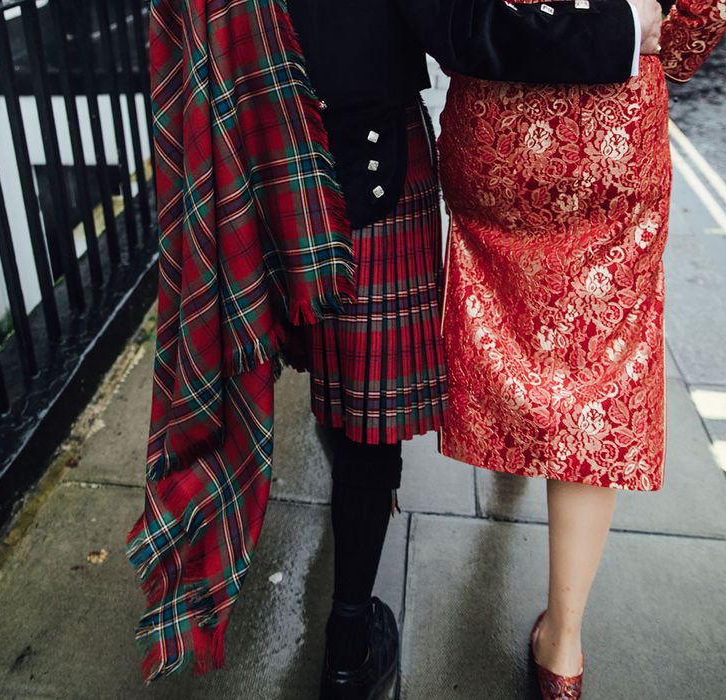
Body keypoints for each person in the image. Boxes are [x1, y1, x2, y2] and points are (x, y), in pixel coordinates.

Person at [286, 1, 665, 698]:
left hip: (296, 142)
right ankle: (559, 650)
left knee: (339, 366)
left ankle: (346, 643)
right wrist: (630, 31)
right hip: (595, 125)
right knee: (592, 365)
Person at [437, 0, 726, 697]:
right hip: (613, 130)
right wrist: (665, 41)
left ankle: (514, 441)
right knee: (597, 362)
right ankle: (562, 648)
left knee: (507, 313)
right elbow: (694, 22)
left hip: (498, 121)